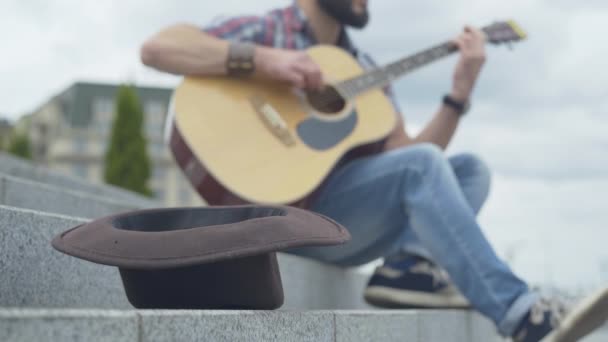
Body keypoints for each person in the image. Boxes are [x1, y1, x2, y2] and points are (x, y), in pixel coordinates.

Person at [140, 0, 608, 340]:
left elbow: (411, 158)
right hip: (271, 213)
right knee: (424, 168)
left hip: (335, 220)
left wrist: (458, 95)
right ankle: (523, 316)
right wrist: (267, 60)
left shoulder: (363, 69)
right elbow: (159, 48)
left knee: (469, 171)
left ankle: (407, 266)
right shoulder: (267, 28)